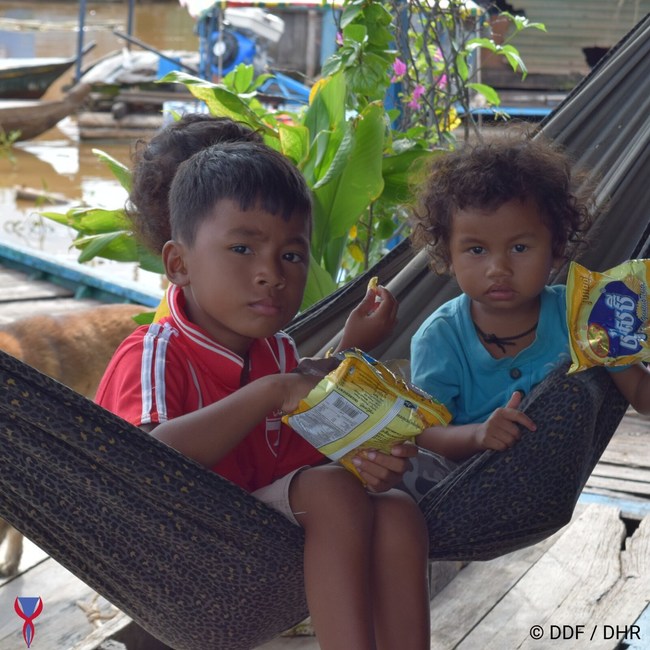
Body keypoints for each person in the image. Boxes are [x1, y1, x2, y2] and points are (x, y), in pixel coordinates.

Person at [96, 140, 430, 650]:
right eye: (242, 248)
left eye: (291, 254)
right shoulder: (157, 352)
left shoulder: (277, 351)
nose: (270, 273)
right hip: (181, 545)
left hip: (255, 530)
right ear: (179, 264)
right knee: (333, 493)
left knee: (396, 509)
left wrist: (363, 457)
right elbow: (144, 463)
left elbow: (297, 451)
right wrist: (270, 393)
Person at [409, 132, 650, 462]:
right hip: (456, 489)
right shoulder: (439, 338)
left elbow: (640, 393)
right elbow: (423, 435)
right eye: (476, 250)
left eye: (519, 248)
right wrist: (479, 435)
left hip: (547, 485)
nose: (499, 269)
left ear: (556, 250)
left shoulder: (584, 310)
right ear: (449, 257)